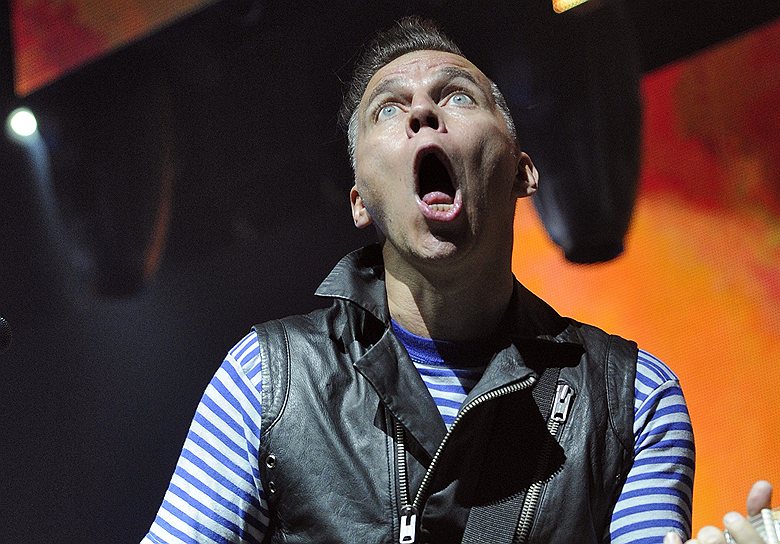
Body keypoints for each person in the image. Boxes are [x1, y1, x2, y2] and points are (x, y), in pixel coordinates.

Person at [143, 17, 696, 544]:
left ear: (522, 171)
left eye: (459, 97)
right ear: (360, 202)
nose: (423, 113)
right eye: (388, 109)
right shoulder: (268, 380)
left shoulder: (632, 397)